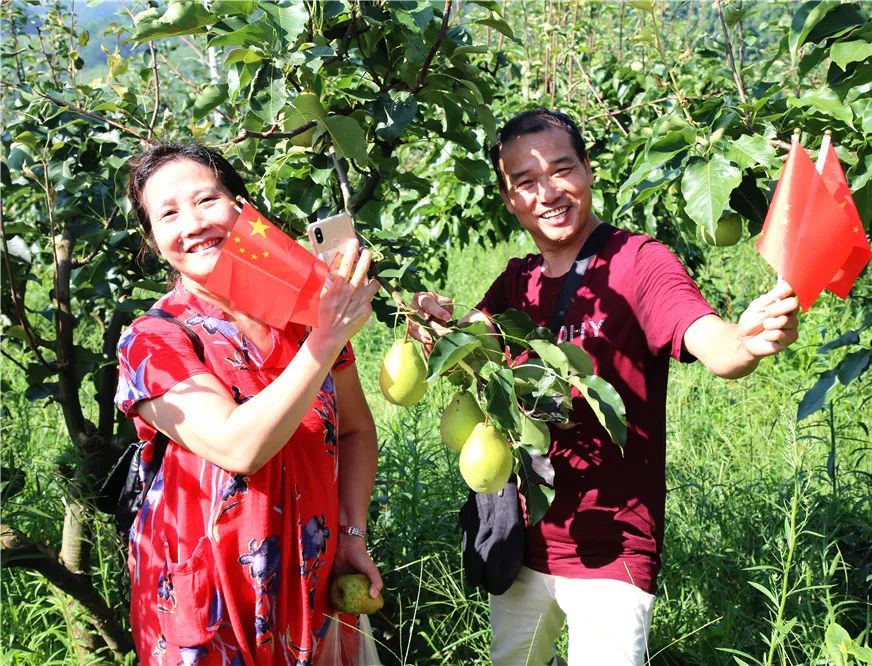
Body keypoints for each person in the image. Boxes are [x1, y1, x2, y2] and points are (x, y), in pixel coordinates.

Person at [409, 109, 800, 666]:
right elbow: (459, 357)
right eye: (526, 182)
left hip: (613, 548)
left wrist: (747, 339)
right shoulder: (514, 284)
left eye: (562, 170)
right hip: (521, 543)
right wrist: (428, 328)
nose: (548, 192)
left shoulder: (639, 262)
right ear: (509, 199)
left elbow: (714, 343)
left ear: (589, 171)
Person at [115, 143, 382, 665]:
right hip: (213, 602)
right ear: (153, 240)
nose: (192, 223)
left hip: (314, 582)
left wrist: (352, 533)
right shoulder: (153, 341)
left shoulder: (303, 313)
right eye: (168, 214)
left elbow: (354, 430)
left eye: (206, 201)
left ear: (240, 208)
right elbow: (239, 447)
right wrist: (323, 343)